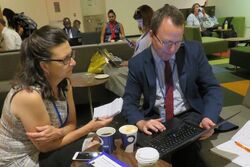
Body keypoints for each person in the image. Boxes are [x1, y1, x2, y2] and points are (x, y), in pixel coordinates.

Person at [122, 4, 223, 167]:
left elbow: (212, 88)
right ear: (152, 35)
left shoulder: (193, 51)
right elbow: (128, 103)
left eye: (178, 42)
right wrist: (141, 122)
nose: (173, 49)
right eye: (167, 42)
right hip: (156, 119)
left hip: (189, 115)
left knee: (186, 149)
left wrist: (209, 117)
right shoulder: (138, 63)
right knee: (143, 153)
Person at [0, 25, 113, 166]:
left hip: (48, 149)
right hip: (24, 159)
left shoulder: (64, 83)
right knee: (91, 152)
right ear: (44, 66)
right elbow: (45, 146)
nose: (73, 62)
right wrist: (89, 127)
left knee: (97, 144)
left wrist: (59, 133)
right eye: (65, 59)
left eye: (71, 55)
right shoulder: (28, 96)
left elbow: (72, 125)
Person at [104, 5, 153, 97]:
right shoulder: (144, 35)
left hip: (136, 68)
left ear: (147, 20)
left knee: (111, 74)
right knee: (107, 66)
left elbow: (143, 60)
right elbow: (141, 50)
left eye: (139, 21)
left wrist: (125, 63)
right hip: (133, 64)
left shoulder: (150, 36)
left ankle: (133, 96)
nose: (138, 24)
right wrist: (135, 45)